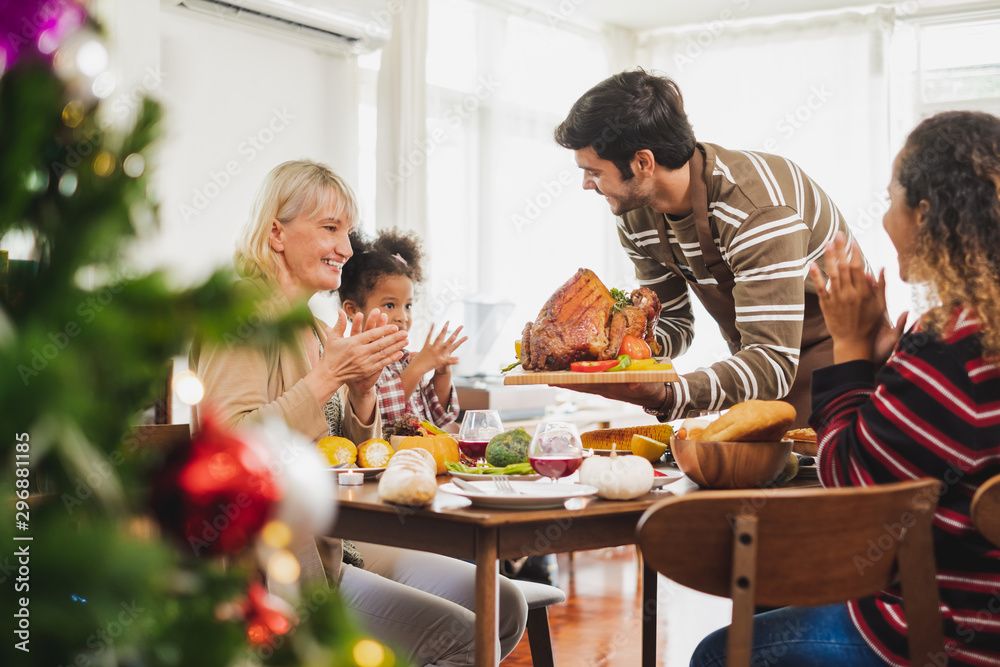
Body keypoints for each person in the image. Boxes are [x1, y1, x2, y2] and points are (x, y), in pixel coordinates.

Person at [690, 111, 1000, 666]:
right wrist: (887, 360)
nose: (883, 219)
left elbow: (851, 485)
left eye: (890, 201)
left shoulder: (950, 346)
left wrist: (850, 348)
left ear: (925, 215)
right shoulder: (976, 334)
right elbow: (924, 455)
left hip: (943, 629)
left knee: (717, 653)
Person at [190, 160, 527, 666]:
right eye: (330, 229)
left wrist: (363, 390)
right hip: (271, 568)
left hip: (334, 542)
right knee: (460, 638)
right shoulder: (240, 318)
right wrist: (329, 377)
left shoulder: (313, 328)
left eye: (346, 232)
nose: (346, 249)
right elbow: (232, 450)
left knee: (505, 603)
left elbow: (342, 447)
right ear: (277, 233)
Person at [554, 69, 872, 427]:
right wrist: (604, 351)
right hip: (759, 373)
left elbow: (773, 361)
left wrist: (668, 393)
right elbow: (674, 324)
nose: (585, 184)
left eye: (594, 172)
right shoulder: (635, 216)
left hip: (842, 372)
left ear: (643, 163)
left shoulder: (756, 210)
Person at [337, 227, 466, 430]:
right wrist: (418, 368)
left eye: (408, 306)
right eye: (390, 305)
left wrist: (442, 373)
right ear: (353, 309)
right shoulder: (353, 362)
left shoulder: (404, 361)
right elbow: (381, 415)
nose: (403, 317)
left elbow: (439, 417)